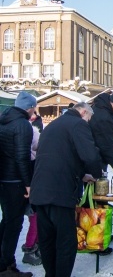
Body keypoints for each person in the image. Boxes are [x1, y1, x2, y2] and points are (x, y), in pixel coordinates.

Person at [30, 102, 102, 277]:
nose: (88, 122)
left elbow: (60, 155)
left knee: (47, 240)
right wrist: (97, 174)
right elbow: (90, 155)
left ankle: (50, 273)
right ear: (83, 112)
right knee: (66, 241)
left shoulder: (54, 124)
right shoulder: (78, 124)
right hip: (60, 192)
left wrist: (81, 174)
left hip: (40, 190)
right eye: (89, 119)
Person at [0, 91, 37, 277]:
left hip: (4, 179)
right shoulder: (23, 125)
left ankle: (3, 262)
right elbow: (22, 157)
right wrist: (28, 184)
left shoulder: (4, 120)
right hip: (15, 181)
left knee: (6, 221)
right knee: (14, 224)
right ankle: (7, 266)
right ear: (29, 107)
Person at [21, 124, 42, 266]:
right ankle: (29, 249)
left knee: (38, 221)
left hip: (33, 193)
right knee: (35, 221)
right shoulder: (30, 161)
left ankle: (36, 247)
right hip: (30, 195)